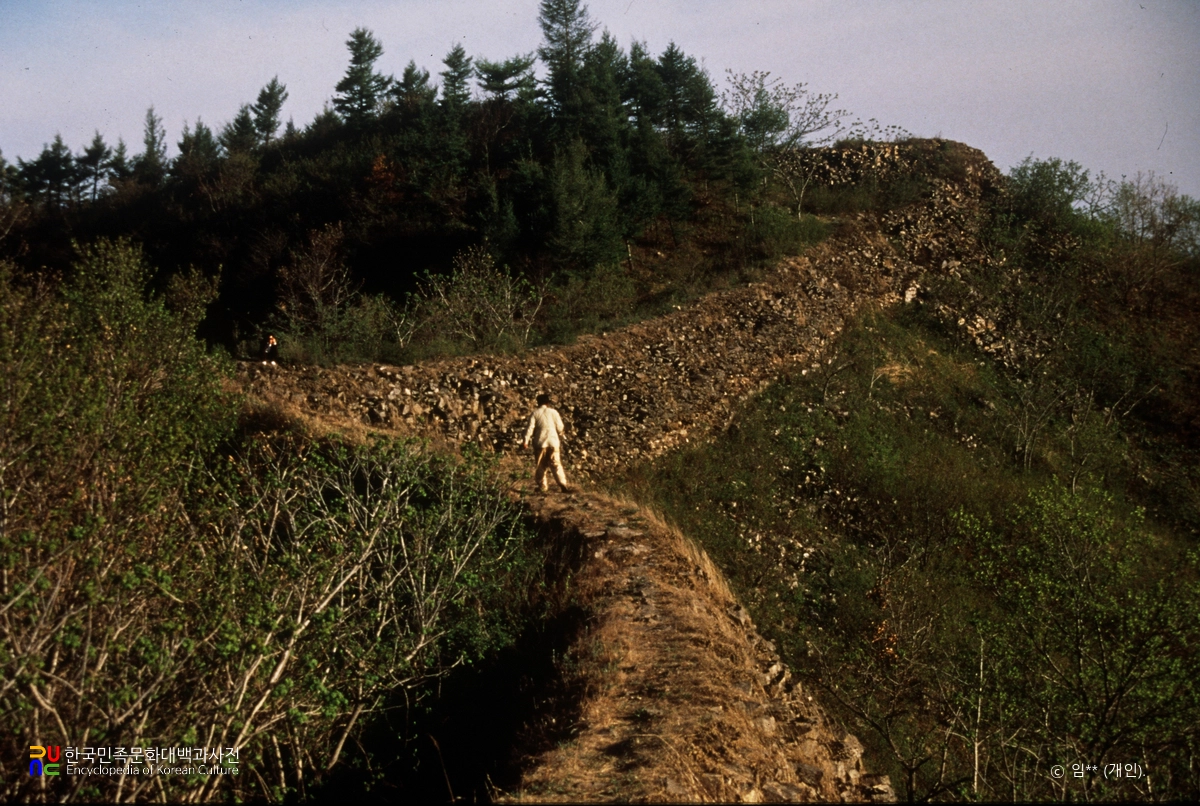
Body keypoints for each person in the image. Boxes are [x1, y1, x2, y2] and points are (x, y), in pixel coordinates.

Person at [522, 392, 573, 493]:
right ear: (548, 403)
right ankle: (562, 483)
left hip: (540, 442)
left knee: (541, 465)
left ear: (538, 403)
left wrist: (525, 441)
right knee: (556, 464)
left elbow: (530, 428)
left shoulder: (535, 413)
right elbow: (560, 427)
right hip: (553, 442)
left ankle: (543, 486)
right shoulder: (553, 412)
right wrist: (561, 434)